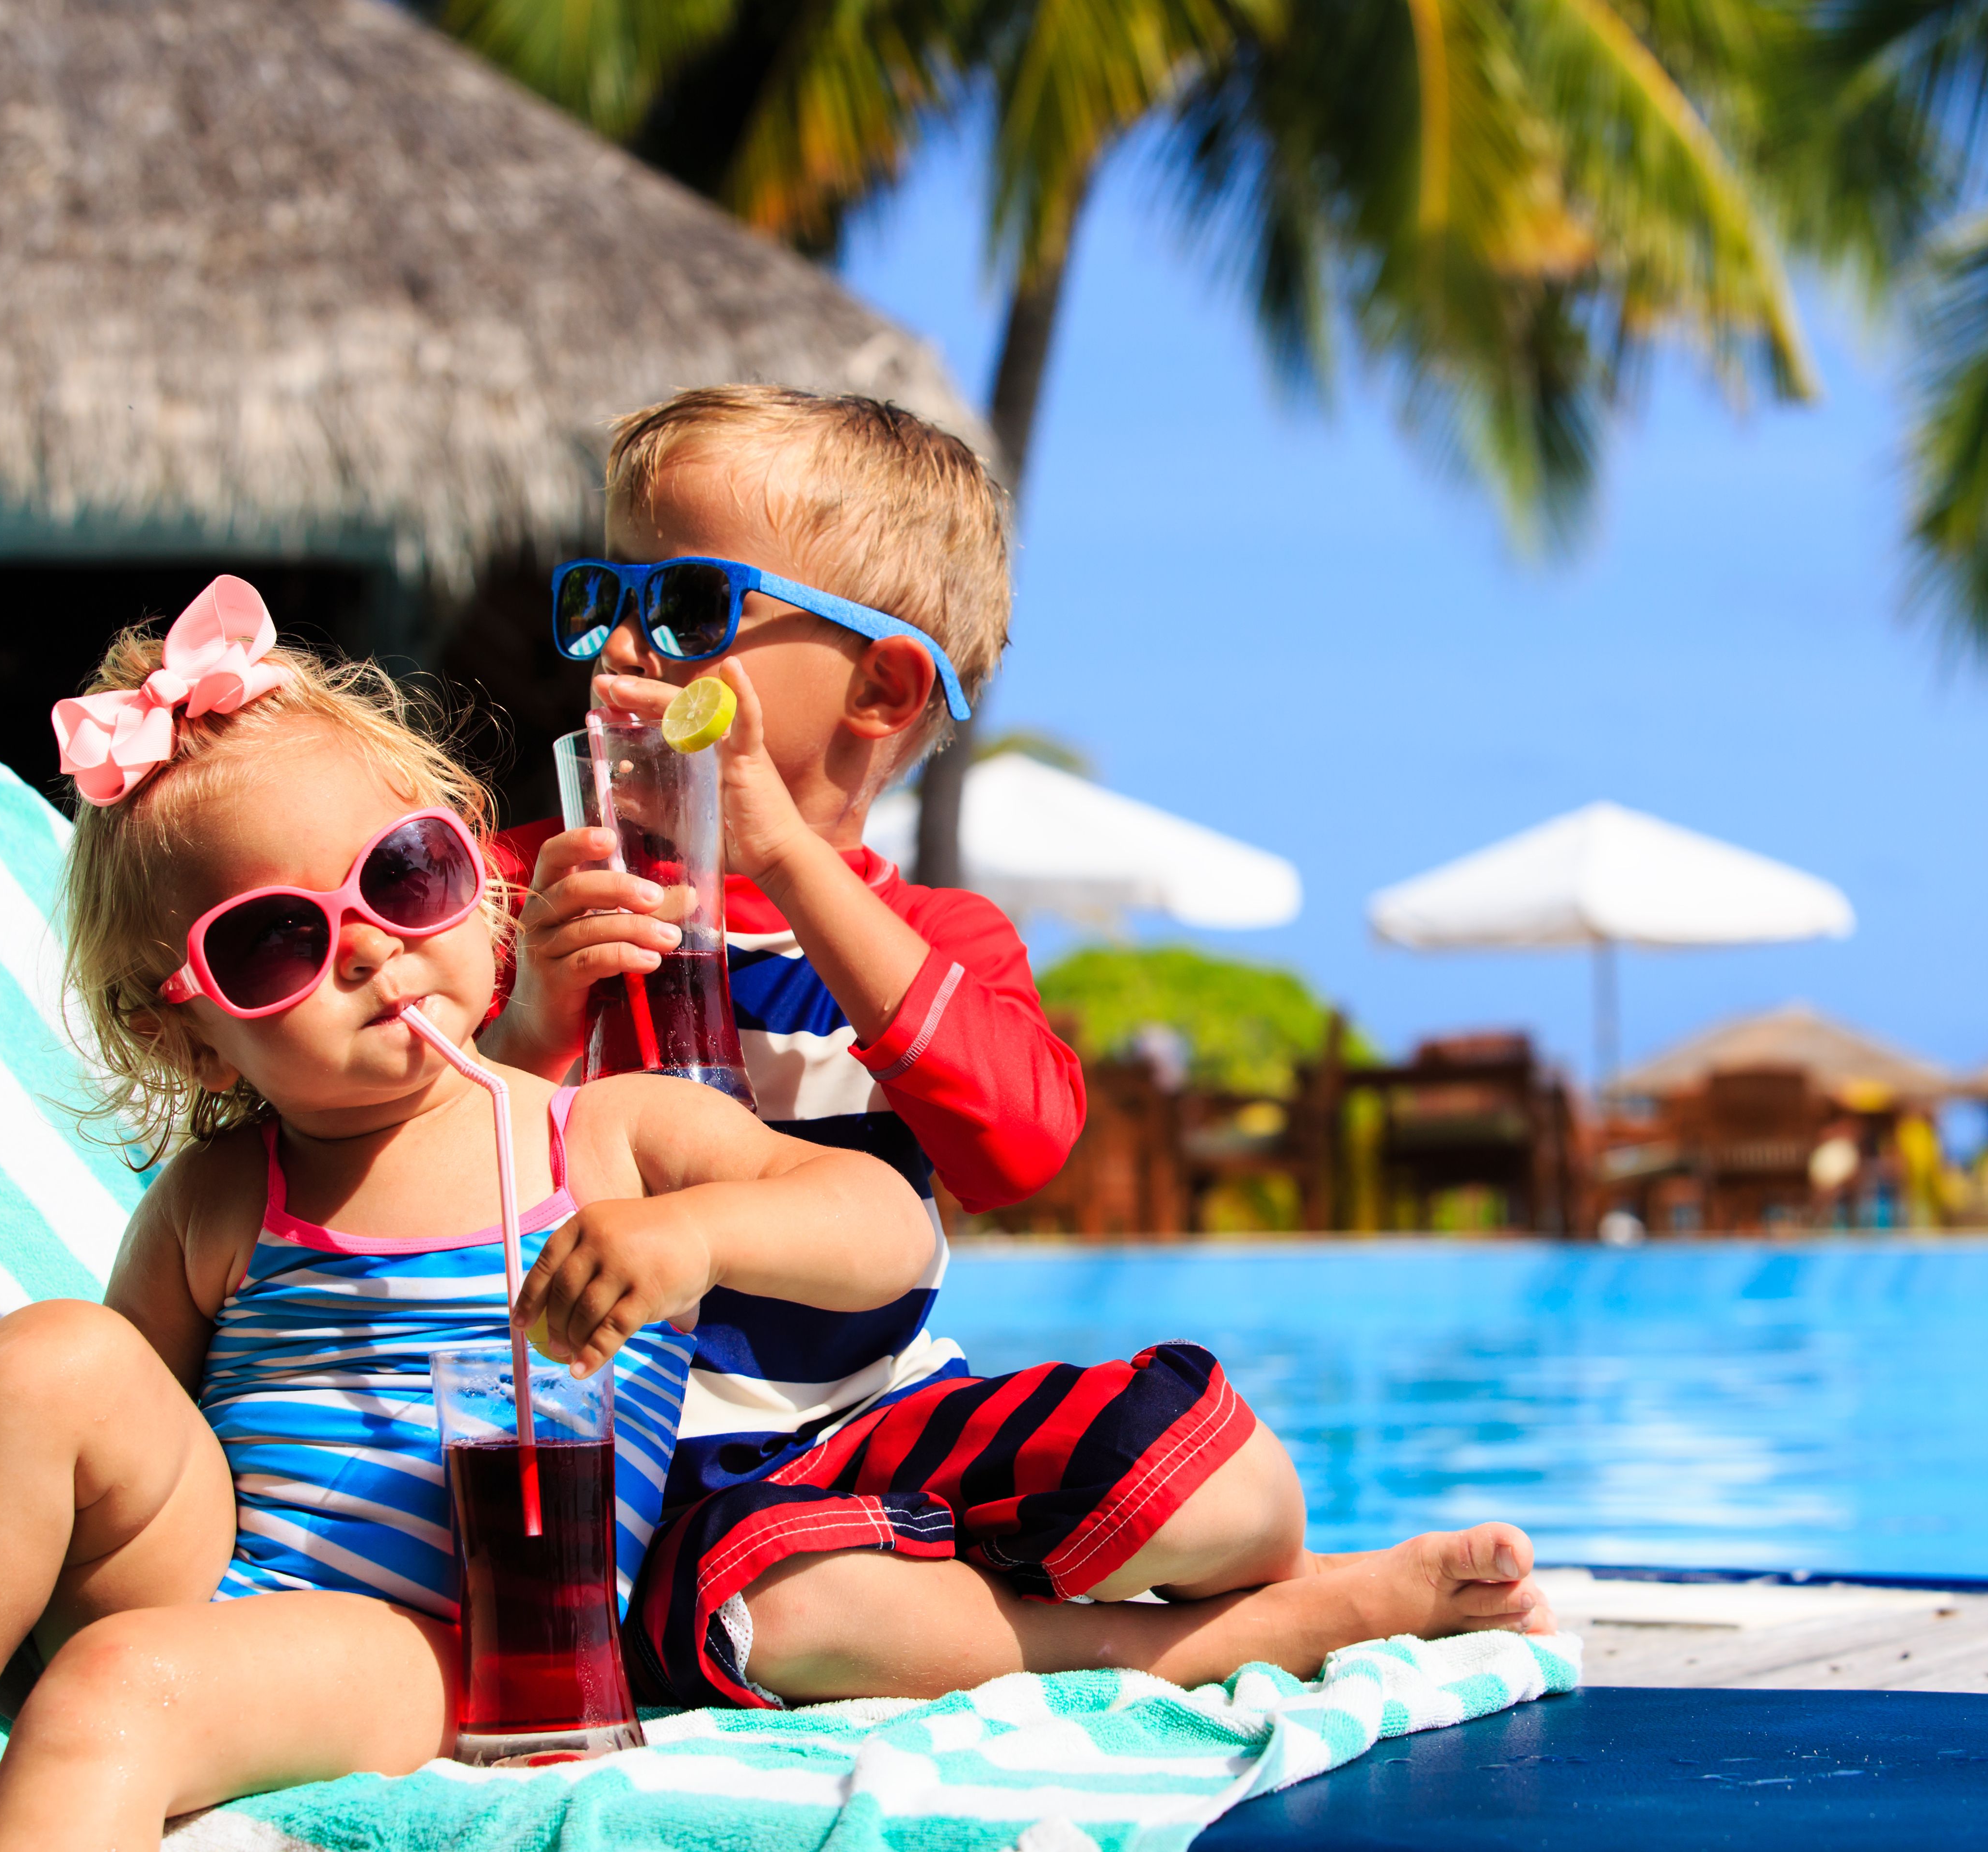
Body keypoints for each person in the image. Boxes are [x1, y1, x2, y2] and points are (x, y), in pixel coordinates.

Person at [0, 583, 936, 1852]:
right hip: (206, 1582)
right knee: (47, 1355)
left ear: (473, 875)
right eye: (275, 942)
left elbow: (890, 1230)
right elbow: (94, 1445)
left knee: (117, 1691)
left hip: (453, 1643)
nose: (370, 949)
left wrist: (697, 1238)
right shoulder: (223, 1198)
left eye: (404, 874)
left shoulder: (601, 1133)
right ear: (195, 1037)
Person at [476, 389, 1552, 1710]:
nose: (625, 646)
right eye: (605, 595)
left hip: (881, 1423)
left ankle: (1256, 1574)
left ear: (881, 685)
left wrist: (789, 864)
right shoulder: (528, 894)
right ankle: (1197, 1644)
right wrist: (534, 1015)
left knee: (1235, 1479)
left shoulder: (930, 936)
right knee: (788, 1609)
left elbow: (1020, 1146)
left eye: (690, 605)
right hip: (649, 1484)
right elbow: (420, 1162)